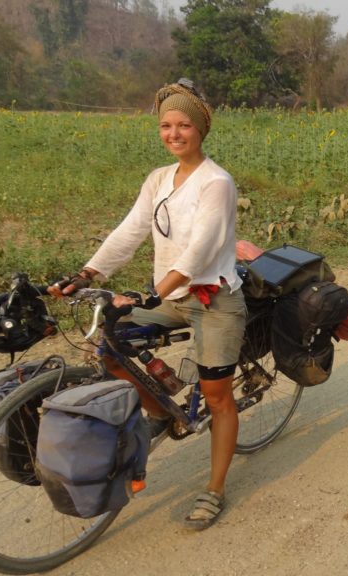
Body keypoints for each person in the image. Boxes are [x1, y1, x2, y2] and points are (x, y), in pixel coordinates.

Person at [49, 79, 246, 531]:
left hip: (212, 299)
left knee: (217, 398)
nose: (174, 133)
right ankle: (166, 411)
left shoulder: (217, 182)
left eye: (183, 125)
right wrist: (87, 274)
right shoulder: (159, 178)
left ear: (200, 130)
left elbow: (199, 252)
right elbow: (129, 232)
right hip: (170, 295)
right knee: (109, 346)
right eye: (165, 125)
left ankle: (214, 489)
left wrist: (155, 291)